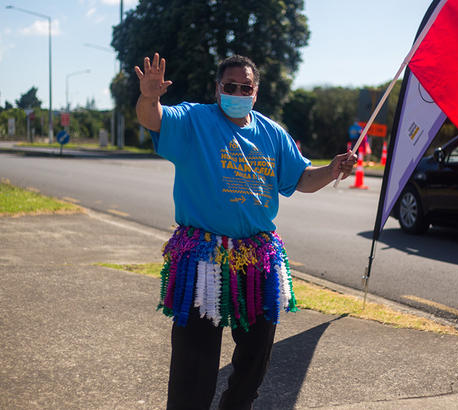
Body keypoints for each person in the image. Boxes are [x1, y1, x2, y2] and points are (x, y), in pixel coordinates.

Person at [134, 52, 357, 409]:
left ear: (255, 93)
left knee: (255, 362)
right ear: (217, 88)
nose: (237, 92)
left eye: (245, 87)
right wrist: (149, 97)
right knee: (195, 367)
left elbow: (300, 179)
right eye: (230, 86)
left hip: (255, 262)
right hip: (202, 260)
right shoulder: (193, 119)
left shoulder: (273, 133)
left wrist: (331, 169)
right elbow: (154, 119)